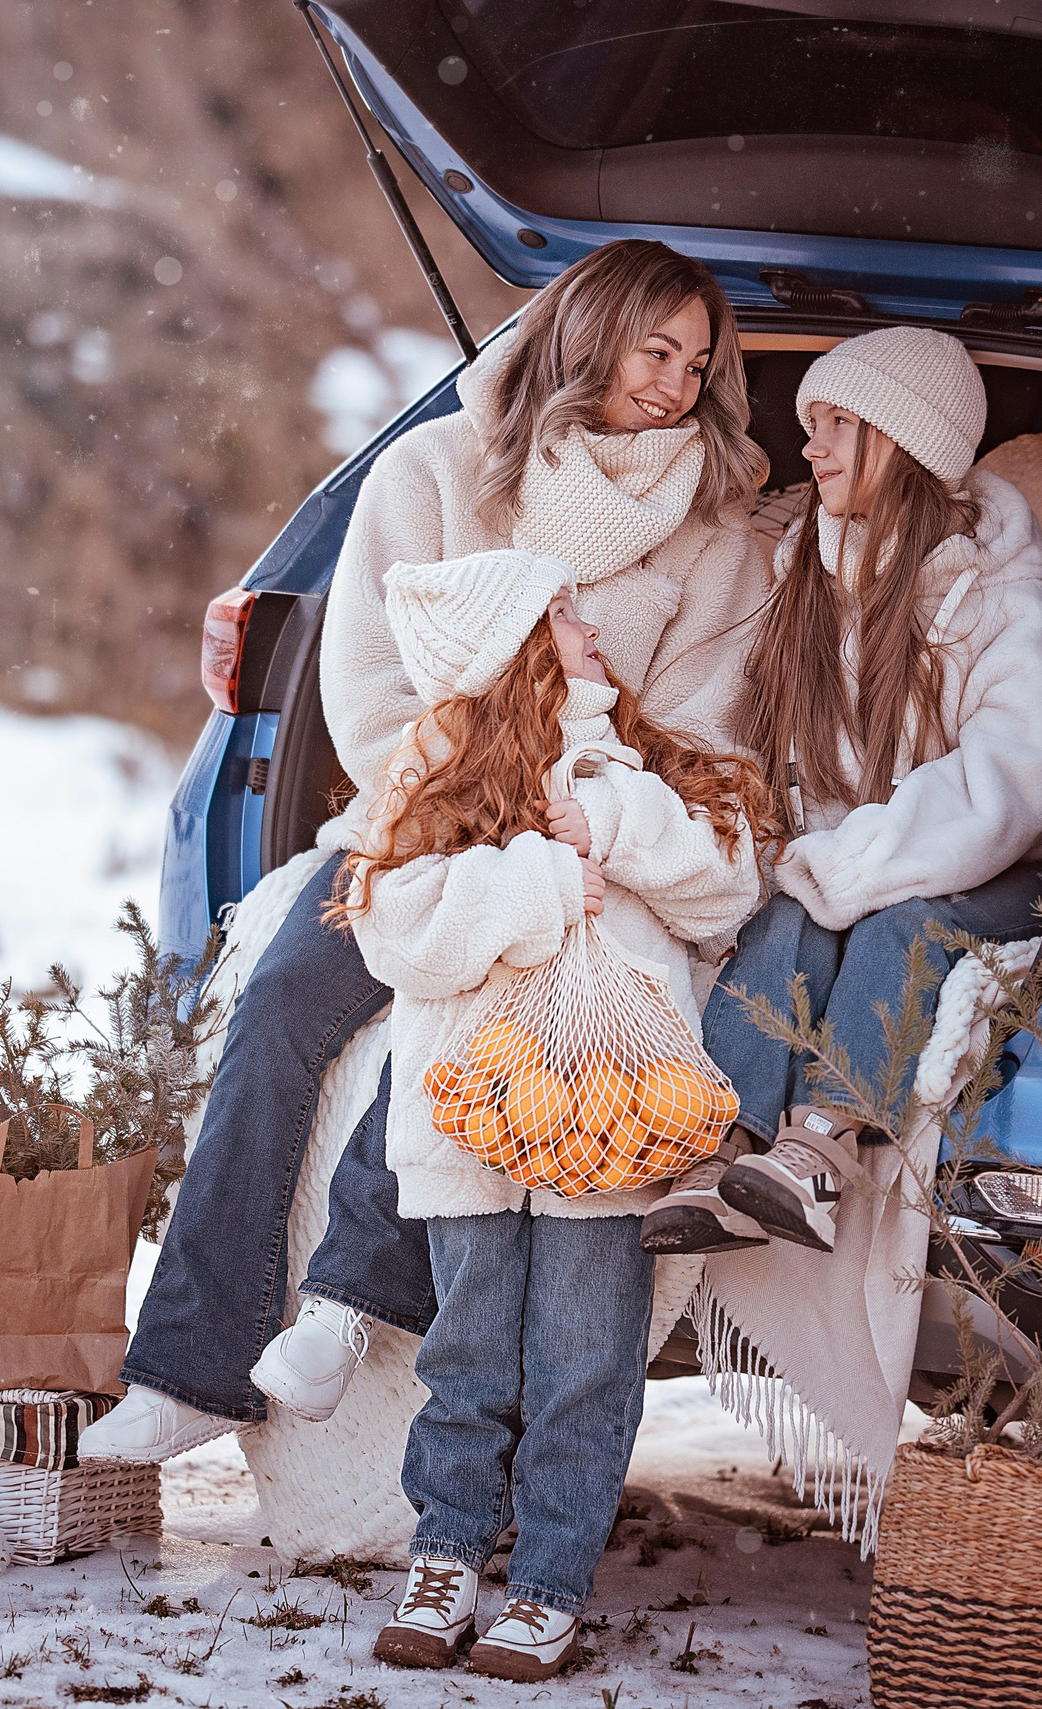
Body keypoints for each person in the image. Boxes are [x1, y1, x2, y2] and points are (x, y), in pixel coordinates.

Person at [88, 239, 772, 1461]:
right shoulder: (433, 471)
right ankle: (187, 1372)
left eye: (698, 363)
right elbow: (362, 692)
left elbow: (704, 738)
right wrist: (479, 792)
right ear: (587, 333)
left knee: (478, 1004)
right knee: (287, 994)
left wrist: (568, 814)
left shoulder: (718, 536)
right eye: (654, 349)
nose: (676, 384)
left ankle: (353, 1306)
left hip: (589, 847)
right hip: (419, 820)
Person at [345, 553, 763, 1680]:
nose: (589, 625)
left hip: (609, 1106)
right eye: (562, 612)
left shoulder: (629, 762)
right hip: (472, 1116)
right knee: (469, 1352)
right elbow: (394, 932)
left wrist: (614, 826)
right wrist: (533, 882)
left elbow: (728, 888)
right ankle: (446, 1553)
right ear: (507, 646)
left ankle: (548, 1582)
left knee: (585, 1357)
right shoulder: (428, 768)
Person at [644, 325, 1042, 1256]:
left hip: (990, 866)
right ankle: (722, 1142)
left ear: (907, 441)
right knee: (787, 915)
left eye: (839, 422)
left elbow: (1010, 781)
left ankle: (825, 1143)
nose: (811, 446)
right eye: (813, 421)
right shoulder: (800, 566)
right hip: (851, 852)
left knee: (899, 924)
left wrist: (859, 861)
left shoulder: (999, 597)